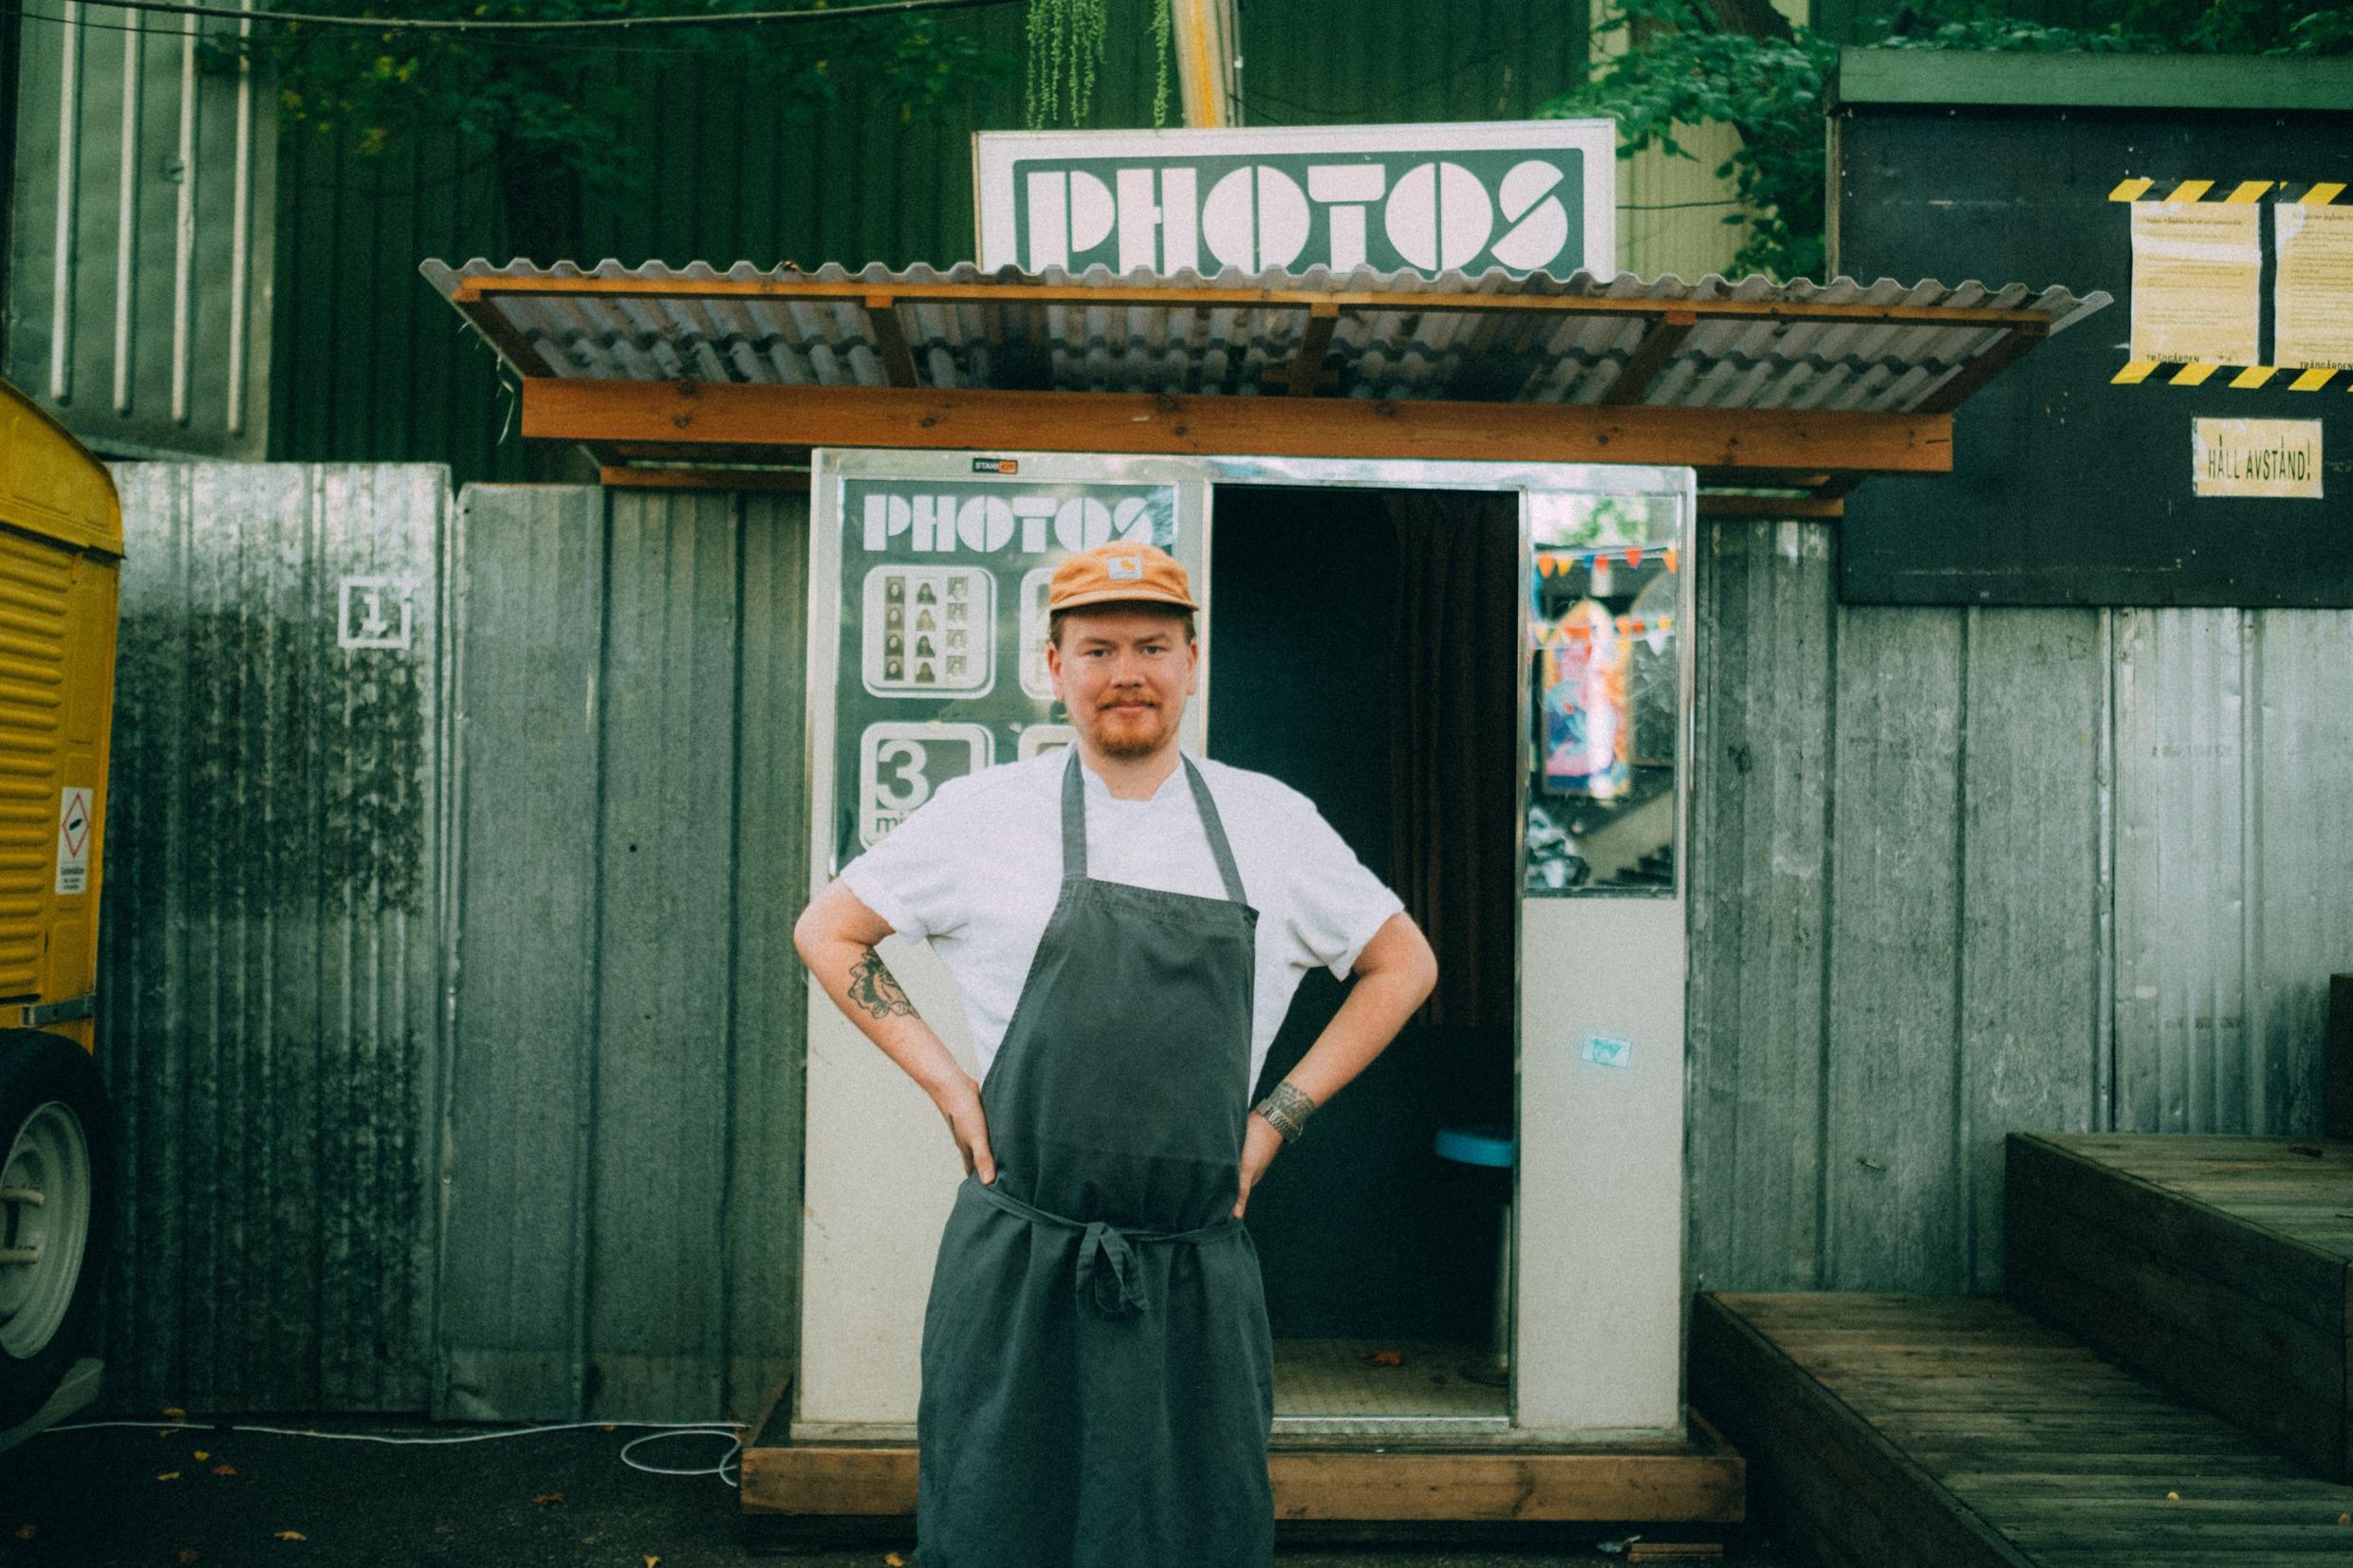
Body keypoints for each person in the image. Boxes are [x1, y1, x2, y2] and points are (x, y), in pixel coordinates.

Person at [793, 541, 1437, 1568]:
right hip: (1021, 1256)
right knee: (1000, 1520)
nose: (1125, 672)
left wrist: (1277, 1116)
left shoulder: (1271, 821)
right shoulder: (978, 817)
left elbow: (1401, 965)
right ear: (1053, 667)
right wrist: (948, 1086)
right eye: (1095, 649)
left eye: (1150, 645)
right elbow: (827, 930)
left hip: (1192, 1263)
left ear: (1192, 660)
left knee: (1192, 1529)